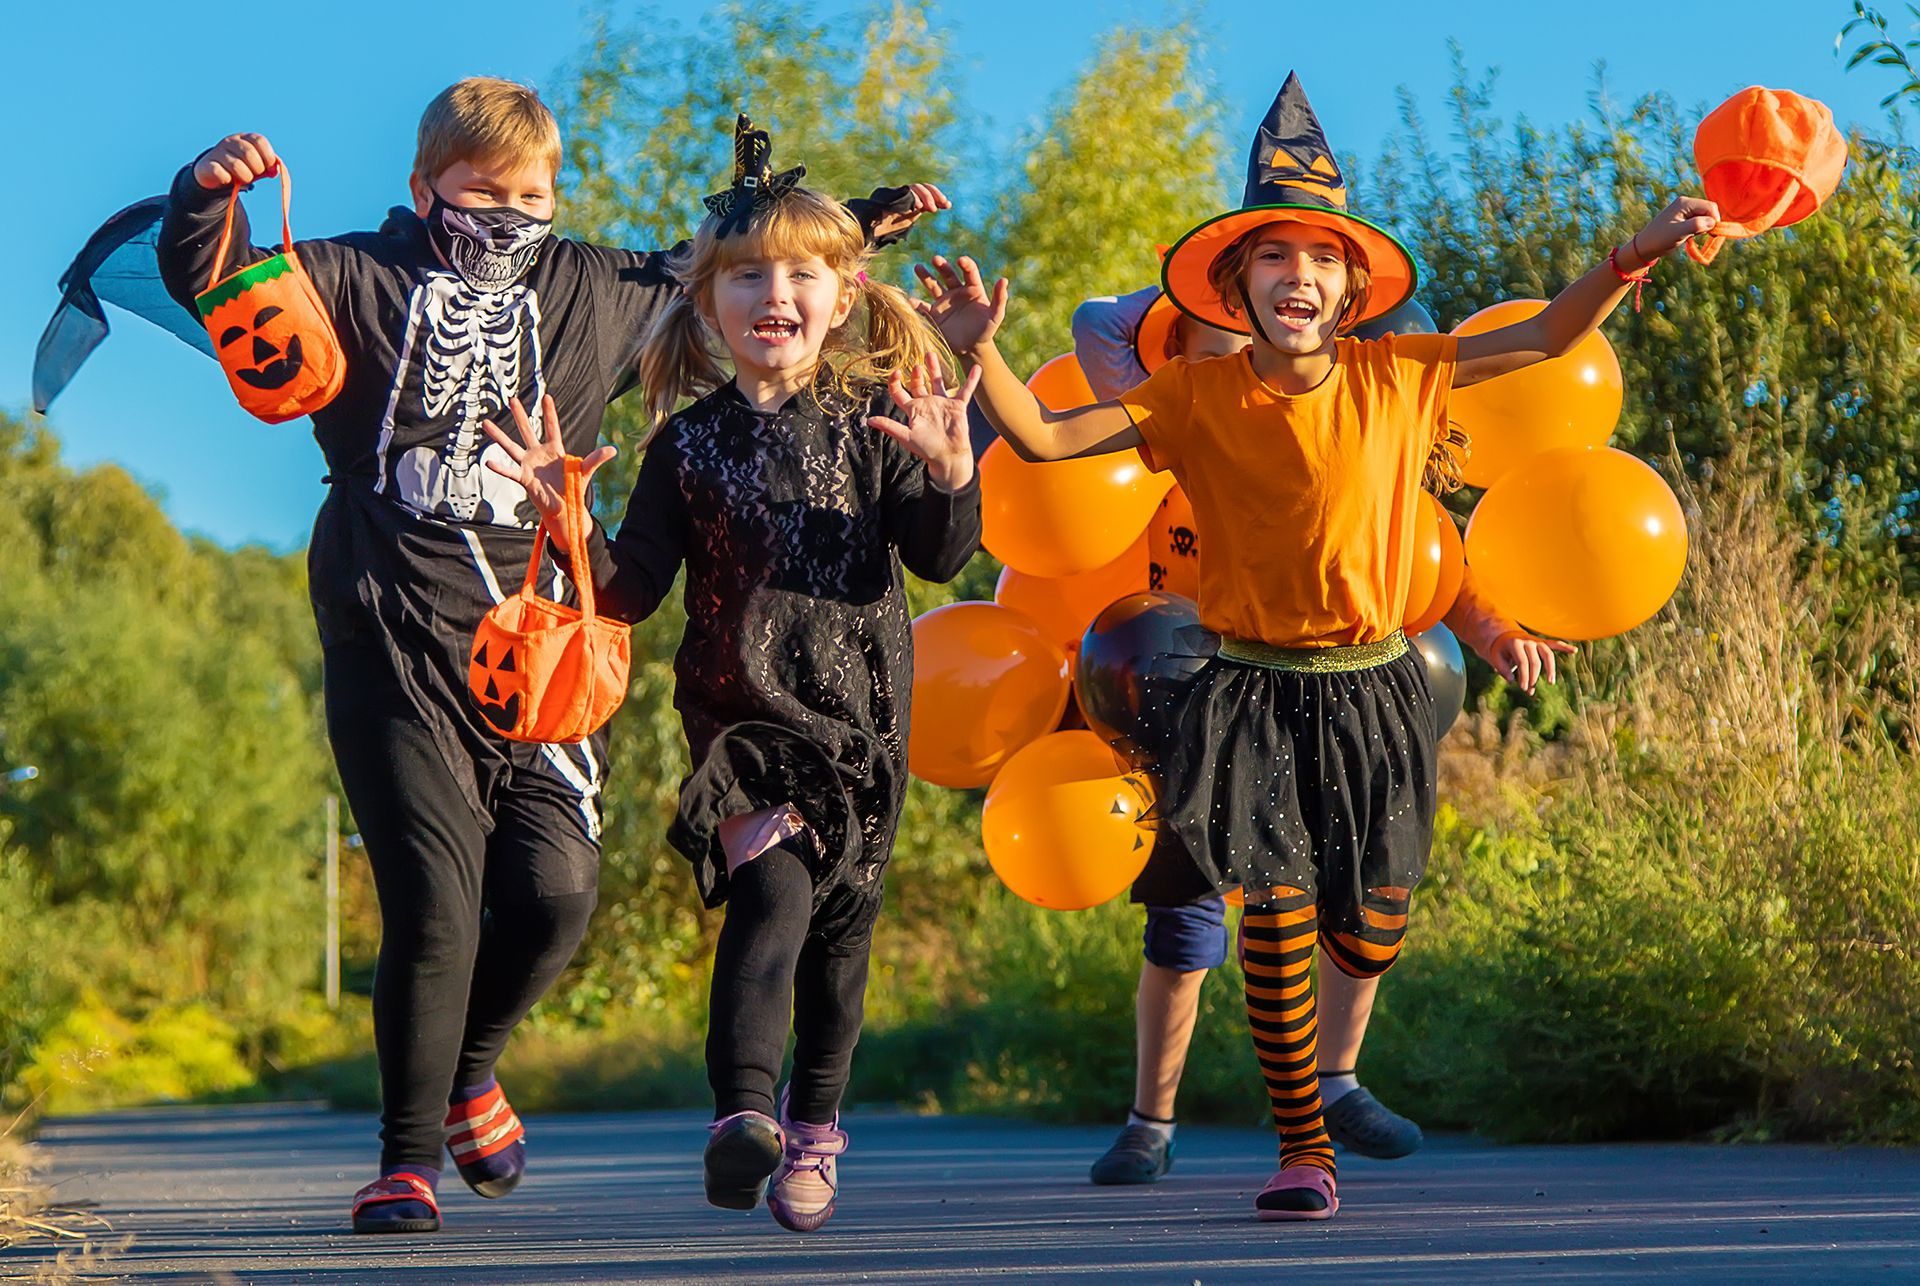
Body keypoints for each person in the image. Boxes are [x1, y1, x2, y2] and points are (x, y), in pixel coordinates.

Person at [916, 72, 1713, 1220]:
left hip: (1378, 687)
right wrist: (975, 351)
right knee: (1276, 924)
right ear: (1239, 285)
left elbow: (1543, 335)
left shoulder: (1404, 374)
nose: (1300, 278)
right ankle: (1303, 1150)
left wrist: (1631, 253)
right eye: (1276, 260)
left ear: (1351, 286)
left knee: (1371, 917)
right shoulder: (1194, 393)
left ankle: (1334, 1069)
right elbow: (1042, 437)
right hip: (1248, 690)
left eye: (1323, 260)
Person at [153, 81, 944, 1235]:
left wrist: (858, 223)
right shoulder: (357, 272)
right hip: (393, 625)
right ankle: (406, 1160)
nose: (509, 210)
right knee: (435, 897)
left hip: (549, 627)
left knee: (556, 892)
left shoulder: (588, 288)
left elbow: (721, 264)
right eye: (482, 190)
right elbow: (220, 280)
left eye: (532, 192)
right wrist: (200, 199)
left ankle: (474, 1064)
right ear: (426, 188)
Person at [484, 117, 981, 1234]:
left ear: (840, 298)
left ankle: (814, 1130)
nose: (775, 291)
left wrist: (951, 469)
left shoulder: (872, 424)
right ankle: (742, 1115)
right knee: (770, 899)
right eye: (749, 273)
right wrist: (565, 515)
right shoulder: (685, 443)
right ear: (708, 306)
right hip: (744, 728)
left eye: (801, 273)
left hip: (865, 728)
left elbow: (942, 556)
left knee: (840, 952)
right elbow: (629, 590)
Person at [1068, 285, 1573, 1184]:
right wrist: (1201, 281)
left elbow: (1435, 562)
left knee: (1354, 890)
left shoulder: (1353, 443)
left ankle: (1334, 1079)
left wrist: (1497, 630)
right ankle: (1153, 1117)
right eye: (1206, 331)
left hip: (1334, 690)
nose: (1228, 346)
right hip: (1191, 705)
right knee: (1186, 923)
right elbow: (1099, 328)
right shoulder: (1179, 428)